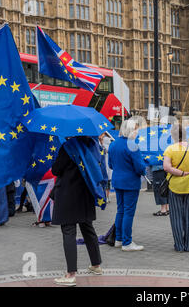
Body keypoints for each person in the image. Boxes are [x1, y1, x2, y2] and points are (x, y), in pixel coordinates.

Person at [51, 137, 103, 286]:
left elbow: (56, 169)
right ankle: (96, 265)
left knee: (68, 231)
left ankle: (71, 274)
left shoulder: (68, 147)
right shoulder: (92, 145)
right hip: (86, 193)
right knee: (88, 229)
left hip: (68, 194)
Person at [108, 119, 147, 251]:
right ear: (130, 130)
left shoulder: (113, 144)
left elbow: (110, 165)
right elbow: (140, 168)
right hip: (130, 182)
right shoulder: (133, 145)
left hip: (117, 181)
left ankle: (118, 239)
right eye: (136, 129)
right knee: (129, 212)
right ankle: (127, 242)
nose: (137, 132)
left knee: (120, 210)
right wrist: (144, 166)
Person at [163, 124, 189, 252]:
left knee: (176, 216)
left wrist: (181, 173)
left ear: (173, 136)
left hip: (175, 185)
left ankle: (179, 245)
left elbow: (166, 167)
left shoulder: (170, 149)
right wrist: (188, 171)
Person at [99, 132, 113, 202]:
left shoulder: (108, 143)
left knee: (107, 182)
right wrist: (101, 142)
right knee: (102, 182)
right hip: (101, 166)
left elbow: (105, 151)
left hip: (107, 166)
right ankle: (103, 196)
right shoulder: (98, 144)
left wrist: (102, 143)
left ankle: (107, 197)